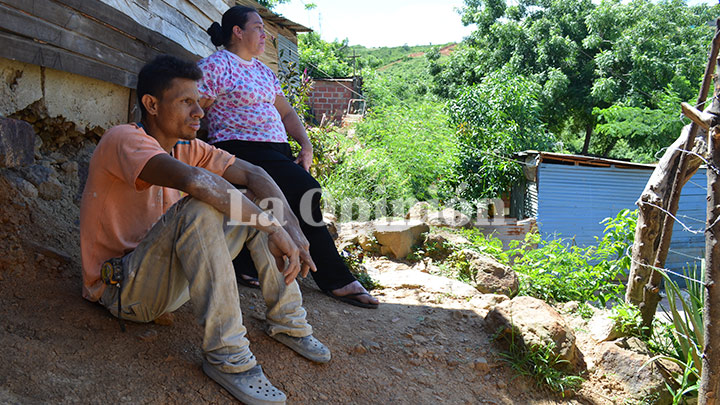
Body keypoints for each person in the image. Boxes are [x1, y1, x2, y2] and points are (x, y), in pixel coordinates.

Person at [79, 54, 330, 405]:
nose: (200, 112)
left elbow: (256, 175)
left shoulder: (189, 147)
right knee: (207, 204)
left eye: (200, 102)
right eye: (186, 102)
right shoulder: (123, 138)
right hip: (123, 289)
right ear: (151, 104)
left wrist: (290, 228)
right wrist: (273, 227)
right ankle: (228, 357)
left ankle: (289, 321)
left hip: (167, 282)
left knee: (250, 202)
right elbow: (196, 182)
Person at [197, 6, 379, 309]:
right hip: (240, 150)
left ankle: (247, 264)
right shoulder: (216, 66)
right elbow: (196, 109)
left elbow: (285, 112)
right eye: (257, 27)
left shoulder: (263, 71)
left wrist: (305, 145)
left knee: (288, 193)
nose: (264, 35)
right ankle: (335, 278)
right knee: (306, 191)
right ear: (237, 32)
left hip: (275, 152)